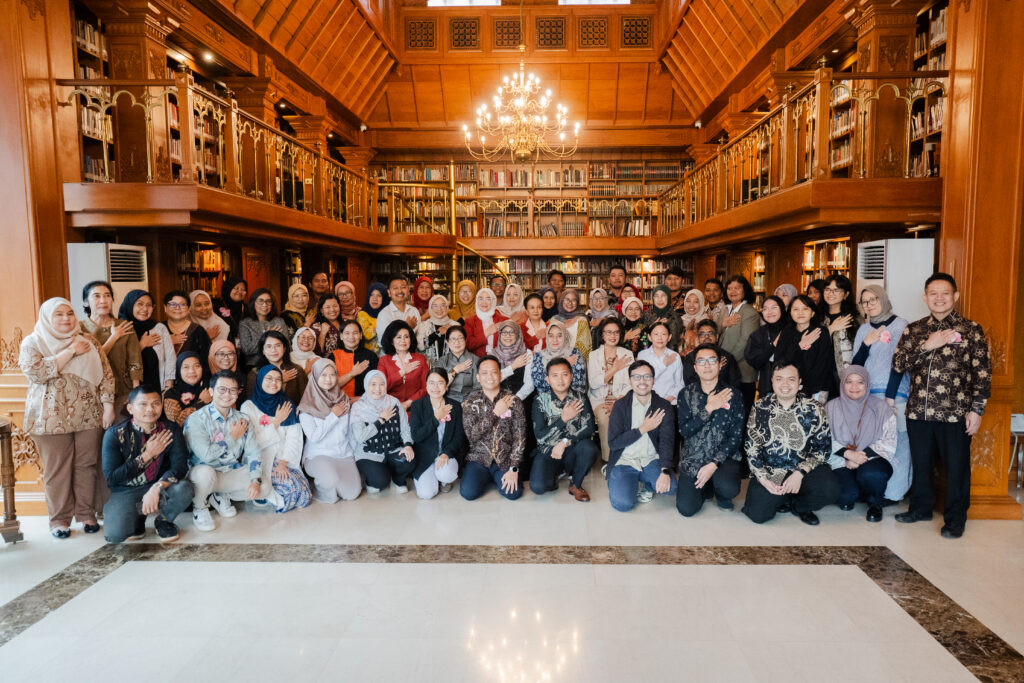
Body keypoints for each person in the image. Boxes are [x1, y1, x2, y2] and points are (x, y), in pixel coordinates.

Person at [892, 273, 991, 539]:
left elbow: (982, 373)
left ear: (955, 296)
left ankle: (955, 520)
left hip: (955, 413)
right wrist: (926, 346)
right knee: (921, 464)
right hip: (919, 411)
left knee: (956, 468)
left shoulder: (971, 330)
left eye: (945, 293)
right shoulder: (914, 330)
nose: (939, 298)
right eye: (933, 293)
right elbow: (898, 364)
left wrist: (977, 410)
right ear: (925, 297)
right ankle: (921, 508)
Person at [20, 298, 115, 538]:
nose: (66, 318)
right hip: (49, 419)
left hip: (89, 415)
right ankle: (59, 520)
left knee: (87, 465)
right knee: (57, 470)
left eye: (70, 313)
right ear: (47, 317)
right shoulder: (33, 342)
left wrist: (108, 406)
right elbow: (37, 372)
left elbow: (106, 375)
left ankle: (86, 514)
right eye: (59, 314)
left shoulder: (88, 340)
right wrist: (70, 351)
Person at [742, 362, 839, 525]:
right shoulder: (760, 407)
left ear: (799, 382)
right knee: (757, 515)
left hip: (803, 469)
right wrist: (763, 478)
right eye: (779, 379)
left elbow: (822, 449)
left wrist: (799, 473)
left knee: (830, 489)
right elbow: (752, 447)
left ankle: (800, 506)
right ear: (772, 381)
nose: (785, 384)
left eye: (791, 379)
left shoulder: (814, 408)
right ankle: (783, 498)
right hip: (772, 471)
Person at [101, 385, 193, 543]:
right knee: (115, 535)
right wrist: (147, 455)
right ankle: (137, 520)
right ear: (130, 408)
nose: (150, 409)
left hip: (160, 484)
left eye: (156, 404)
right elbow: (112, 477)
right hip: (127, 490)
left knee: (185, 488)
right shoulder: (115, 434)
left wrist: (156, 487)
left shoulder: (170, 430)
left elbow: (179, 467)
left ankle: (163, 520)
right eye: (143, 404)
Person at [184, 370, 267, 531]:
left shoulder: (243, 419)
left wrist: (255, 481)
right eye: (222, 389)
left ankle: (220, 495)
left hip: (228, 471)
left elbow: (253, 452)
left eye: (233, 390)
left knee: (264, 488)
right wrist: (232, 438)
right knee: (205, 474)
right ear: (211, 391)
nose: (227, 395)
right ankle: (200, 506)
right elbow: (206, 456)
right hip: (202, 473)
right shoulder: (196, 419)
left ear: (238, 393)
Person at [851, 284, 911, 501]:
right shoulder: (863, 330)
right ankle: (872, 491)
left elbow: (901, 363)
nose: (869, 305)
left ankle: (894, 493)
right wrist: (866, 344)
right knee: (872, 444)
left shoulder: (901, 325)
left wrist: (890, 397)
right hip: (867, 396)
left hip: (896, 395)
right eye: (864, 302)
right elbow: (855, 366)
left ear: (883, 298)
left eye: (873, 299)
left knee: (899, 444)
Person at [676, 344, 745, 516]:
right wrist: (708, 409)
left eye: (712, 360)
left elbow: (736, 436)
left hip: (723, 457)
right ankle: (706, 487)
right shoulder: (685, 394)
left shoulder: (734, 395)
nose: (707, 365)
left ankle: (721, 493)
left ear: (720, 365)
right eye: (701, 361)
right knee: (686, 509)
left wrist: (714, 464)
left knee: (728, 487)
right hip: (694, 456)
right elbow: (684, 431)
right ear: (695, 367)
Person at [827, 366, 897, 522]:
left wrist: (859, 457)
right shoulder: (831, 407)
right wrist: (848, 455)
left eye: (860, 382)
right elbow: (824, 437)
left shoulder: (882, 408)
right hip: (841, 459)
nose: (854, 387)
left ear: (867, 384)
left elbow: (889, 439)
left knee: (872, 475)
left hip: (872, 459)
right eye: (849, 382)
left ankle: (874, 502)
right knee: (846, 495)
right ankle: (855, 492)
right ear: (842, 384)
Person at [606, 360, 677, 512]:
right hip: (625, 461)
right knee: (623, 504)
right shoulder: (620, 406)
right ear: (630, 380)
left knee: (670, 487)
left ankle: (646, 484)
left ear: (654, 380)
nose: (642, 381)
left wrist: (665, 470)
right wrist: (642, 429)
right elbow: (614, 443)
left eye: (647, 377)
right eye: (637, 377)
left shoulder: (663, 406)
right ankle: (615, 476)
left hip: (651, 460)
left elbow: (667, 441)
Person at [240, 365, 311, 513]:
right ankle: (263, 492)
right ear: (260, 380)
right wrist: (276, 422)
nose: (274, 382)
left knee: (304, 495)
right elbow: (252, 443)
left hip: (283, 457)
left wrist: (283, 462)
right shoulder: (248, 407)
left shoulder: (287, 404)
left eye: (278, 379)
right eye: (269, 378)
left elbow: (295, 437)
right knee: (291, 491)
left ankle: (269, 490)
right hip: (260, 458)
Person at [529, 358, 598, 501]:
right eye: (555, 375)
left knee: (589, 447)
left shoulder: (580, 397)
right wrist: (563, 419)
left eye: (565, 374)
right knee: (538, 487)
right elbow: (540, 436)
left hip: (572, 449)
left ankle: (576, 484)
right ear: (548, 379)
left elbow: (589, 428)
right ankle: (555, 475)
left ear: (571, 376)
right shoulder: (540, 400)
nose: (560, 380)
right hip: (549, 452)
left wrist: (565, 442)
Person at [460, 356, 527, 501]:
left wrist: (514, 468)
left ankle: (498, 477)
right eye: (484, 373)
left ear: (500, 375)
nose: (489, 376)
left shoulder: (513, 401)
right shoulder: (471, 401)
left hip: (505, 460)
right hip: (478, 459)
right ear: (478, 377)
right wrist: (495, 413)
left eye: (494, 372)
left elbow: (519, 438)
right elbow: (472, 436)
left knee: (513, 494)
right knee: (468, 493)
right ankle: (485, 477)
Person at [298, 358, 359, 503]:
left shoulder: (342, 399)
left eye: (332, 375)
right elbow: (314, 437)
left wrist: (354, 453)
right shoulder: (307, 406)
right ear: (315, 377)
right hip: (318, 455)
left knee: (352, 494)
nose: (328, 379)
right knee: (330, 492)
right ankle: (322, 489)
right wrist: (333, 416)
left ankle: (334, 481)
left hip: (343, 454)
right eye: (323, 375)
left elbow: (349, 431)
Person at [81, 280, 142, 418]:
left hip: (122, 391)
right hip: (91, 393)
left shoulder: (124, 325)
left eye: (107, 295)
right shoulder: (80, 329)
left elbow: (134, 361)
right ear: (86, 302)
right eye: (96, 296)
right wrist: (114, 337)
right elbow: (91, 361)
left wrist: (135, 393)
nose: (103, 300)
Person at [349, 370, 416, 493]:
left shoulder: (394, 403)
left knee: (409, 459)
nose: (378, 389)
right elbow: (360, 437)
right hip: (368, 453)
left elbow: (405, 428)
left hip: (393, 449)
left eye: (382, 384)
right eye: (373, 384)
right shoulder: (358, 407)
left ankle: (397, 480)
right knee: (379, 481)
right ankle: (377, 477)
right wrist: (381, 420)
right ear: (366, 385)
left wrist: (407, 445)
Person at [409, 368, 464, 499]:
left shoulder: (455, 406)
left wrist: (447, 453)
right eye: (431, 383)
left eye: (440, 383)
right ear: (426, 385)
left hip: (446, 454)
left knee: (445, 474)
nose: (435, 387)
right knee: (426, 494)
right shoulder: (417, 405)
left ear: (446, 385)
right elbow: (416, 436)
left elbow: (459, 436)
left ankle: (443, 480)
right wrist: (436, 418)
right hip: (425, 457)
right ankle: (432, 477)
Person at [588, 318, 634, 464]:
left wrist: (618, 400)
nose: (612, 336)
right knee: (604, 417)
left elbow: (631, 382)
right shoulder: (593, 355)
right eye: (608, 332)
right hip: (599, 400)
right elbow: (593, 383)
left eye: (616, 332)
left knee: (628, 416)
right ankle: (609, 461)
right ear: (602, 335)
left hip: (621, 398)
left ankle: (627, 458)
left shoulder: (627, 354)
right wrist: (615, 368)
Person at [776, 295, 837, 403]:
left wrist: (806, 388)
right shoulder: (786, 333)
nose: (800, 313)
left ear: (812, 313)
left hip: (818, 387)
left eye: (805, 309)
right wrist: (799, 346)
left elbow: (824, 363)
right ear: (790, 313)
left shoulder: (821, 332)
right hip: (791, 387)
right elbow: (780, 362)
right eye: (796, 309)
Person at [715, 275, 760, 413]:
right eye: (729, 288)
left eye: (737, 288)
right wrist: (722, 324)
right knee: (725, 411)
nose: (732, 291)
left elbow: (745, 342)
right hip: (723, 368)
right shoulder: (725, 309)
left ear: (744, 291)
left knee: (742, 410)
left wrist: (726, 361)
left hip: (742, 371)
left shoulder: (750, 313)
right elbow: (715, 333)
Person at [118, 289, 175, 390]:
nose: (145, 309)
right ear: (130, 305)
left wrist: (168, 388)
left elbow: (170, 359)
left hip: (158, 389)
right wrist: (142, 345)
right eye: (140, 304)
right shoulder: (121, 329)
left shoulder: (159, 328)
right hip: (128, 391)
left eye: (149, 305)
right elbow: (119, 364)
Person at [744, 295, 789, 399]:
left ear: (782, 309)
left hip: (791, 385)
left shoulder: (791, 330)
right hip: (766, 385)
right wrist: (772, 347)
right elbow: (753, 360)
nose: (769, 312)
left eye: (774, 307)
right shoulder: (759, 334)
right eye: (765, 309)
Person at [246, 329, 308, 404]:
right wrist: (278, 381)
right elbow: (251, 402)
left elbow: (307, 401)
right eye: (269, 346)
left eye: (278, 345)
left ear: (284, 348)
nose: (273, 350)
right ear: (263, 351)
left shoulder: (297, 370)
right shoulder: (255, 373)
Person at [526, 320, 586, 396]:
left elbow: (579, 384)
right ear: (547, 337)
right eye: (551, 336)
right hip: (546, 399)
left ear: (565, 336)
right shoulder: (539, 356)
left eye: (559, 335)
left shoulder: (574, 353)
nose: (555, 339)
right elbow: (540, 384)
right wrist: (564, 364)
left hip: (572, 399)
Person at [378, 320, 428, 410]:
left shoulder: (420, 359)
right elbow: (380, 388)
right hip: (390, 408)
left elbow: (426, 387)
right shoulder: (384, 361)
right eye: (398, 337)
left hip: (416, 407)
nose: (403, 341)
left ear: (410, 339)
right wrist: (401, 373)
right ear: (391, 341)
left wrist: (407, 403)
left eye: (406, 337)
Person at [681, 320, 741, 388]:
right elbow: (689, 383)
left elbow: (735, 384)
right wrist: (716, 369)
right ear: (698, 338)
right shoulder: (690, 358)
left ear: (717, 337)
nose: (707, 336)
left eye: (710, 333)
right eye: (702, 334)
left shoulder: (727, 357)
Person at [238, 288, 287, 369]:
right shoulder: (245, 323)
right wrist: (265, 335)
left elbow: (287, 346)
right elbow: (247, 350)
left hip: (279, 364)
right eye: (260, 301)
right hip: (254, 366)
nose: (265, 305)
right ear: (253, 303)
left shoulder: (279, 321)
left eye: (268, 301)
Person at [638, 322, 683, 404]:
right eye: (656, 334)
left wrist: (670, 398)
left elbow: (680, 384)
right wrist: (663, 365)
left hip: (670, 402)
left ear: (669, 337)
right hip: (648, 402)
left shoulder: (675, 356)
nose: (660, 338)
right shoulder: (643, 355)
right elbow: (644, 379)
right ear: (649, 337)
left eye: (663, 334)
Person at [821, 274, 858, 376]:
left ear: (846, 294)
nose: (830, 293)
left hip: (846, 374)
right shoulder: (817, 317)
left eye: (836, 290)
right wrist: (831, 329)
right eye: (827, 289)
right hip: (821, 373)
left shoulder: (854, 319)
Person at [162, 352, 211, 427]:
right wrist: (201, 402)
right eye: (186, 367)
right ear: (179, 370)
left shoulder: (210, 387)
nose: (192, 371)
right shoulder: (172, 393)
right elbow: (177, 424)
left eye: (196, 366)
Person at [375, 275, 422, 348]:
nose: (400, 291)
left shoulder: (414, 311)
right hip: (392, 354)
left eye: (403, 287)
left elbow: (419, 339)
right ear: (389, 292)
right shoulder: (384, 314)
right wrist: (408, 327)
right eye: (395, 288)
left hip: (412, 353)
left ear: (408, 291)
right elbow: (383, 342)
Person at [333, 320, 376, 398]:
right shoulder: (333, 356)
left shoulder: (371, 356)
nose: (351, 337)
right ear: (341, 336)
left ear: (361, 335)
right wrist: (352, 374)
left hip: (366, 400)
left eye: (355, 333)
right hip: (339, 400)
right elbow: (331, 386)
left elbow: (377, 384)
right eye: (347, 333)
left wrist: (360, 399)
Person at [437, 325, 480, 403]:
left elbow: (478, 388)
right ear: (447, 342)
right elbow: (438, 387)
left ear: (465, 340)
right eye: (453, 339)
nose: (457, 342)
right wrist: (455, 370)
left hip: (470, 402)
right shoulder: (441, 362)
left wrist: (468, 403)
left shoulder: (476, 360)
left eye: (460, 338)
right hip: (447, 401)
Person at [493, 320, 533, 400]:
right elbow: (493, 379)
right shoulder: (493, 354)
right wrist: (513, 367)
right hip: (497, 398)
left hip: (521, 399)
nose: (508, 335)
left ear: (518, 334)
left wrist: (515, 399)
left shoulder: (526, 353)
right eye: (504, 332)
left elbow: (530, 384)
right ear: (500, 334)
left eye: (512, 332)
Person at [465, 287, 508, 357]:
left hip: (500, 359)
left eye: (488, 299)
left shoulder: (504, 320)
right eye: (480, 299)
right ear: (476, 301)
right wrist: (486, 333)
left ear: (493, 301)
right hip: (478, 360)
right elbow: (469, 345)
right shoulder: (469, 322)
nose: (484, 302)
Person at [416, 294, 458, 363]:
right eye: (435, 306)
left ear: (447, 307)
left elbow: (460, 347)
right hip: (430, 367)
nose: (439, 309)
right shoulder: (424, 325)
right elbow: (420, 346)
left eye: (442, 305)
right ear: (430, 308)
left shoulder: (455, 325)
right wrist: (437, 333)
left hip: (452, 366)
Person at [642, 284, 683, 351]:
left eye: (663, 296)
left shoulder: (676, 317)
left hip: (670, 354)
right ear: (653, 298)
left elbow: (676, 342)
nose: (660, 299)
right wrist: (650, 328)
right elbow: (641, 340)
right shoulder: (645, 316)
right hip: (648, 354)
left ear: (668, 298)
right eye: (656, 296)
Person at [555, 288, 593, 359]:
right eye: (567, 299)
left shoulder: (582, 320)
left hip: (576, 361)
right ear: (562, 301)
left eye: (574, 300)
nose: (570, 303)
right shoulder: (555, 320)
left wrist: (570, 359)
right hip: (557, 361)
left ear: (577, 302)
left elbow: (584, 346)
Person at [357, 282, 389, 354]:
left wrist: (373, 327)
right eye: (372, 295)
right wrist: (382, 326)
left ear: (384, 298)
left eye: (379, 295)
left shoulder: (388, 313)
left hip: (385, 354)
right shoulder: (362, 314)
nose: (374, 298)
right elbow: (366, 334)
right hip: (368, 355)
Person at [212, 275, 247, 342]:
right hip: (223, 345)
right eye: (237, 288)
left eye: (243, 290)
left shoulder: (248, 308)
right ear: (228, 289)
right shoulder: (217, 308)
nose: (240, 292)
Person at [678, 288, 707, 356]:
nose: (691, 305)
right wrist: (687, 330)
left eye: (696, 302)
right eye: (688, 301)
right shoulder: (679, 320)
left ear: (701, 303)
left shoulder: (706, 321)